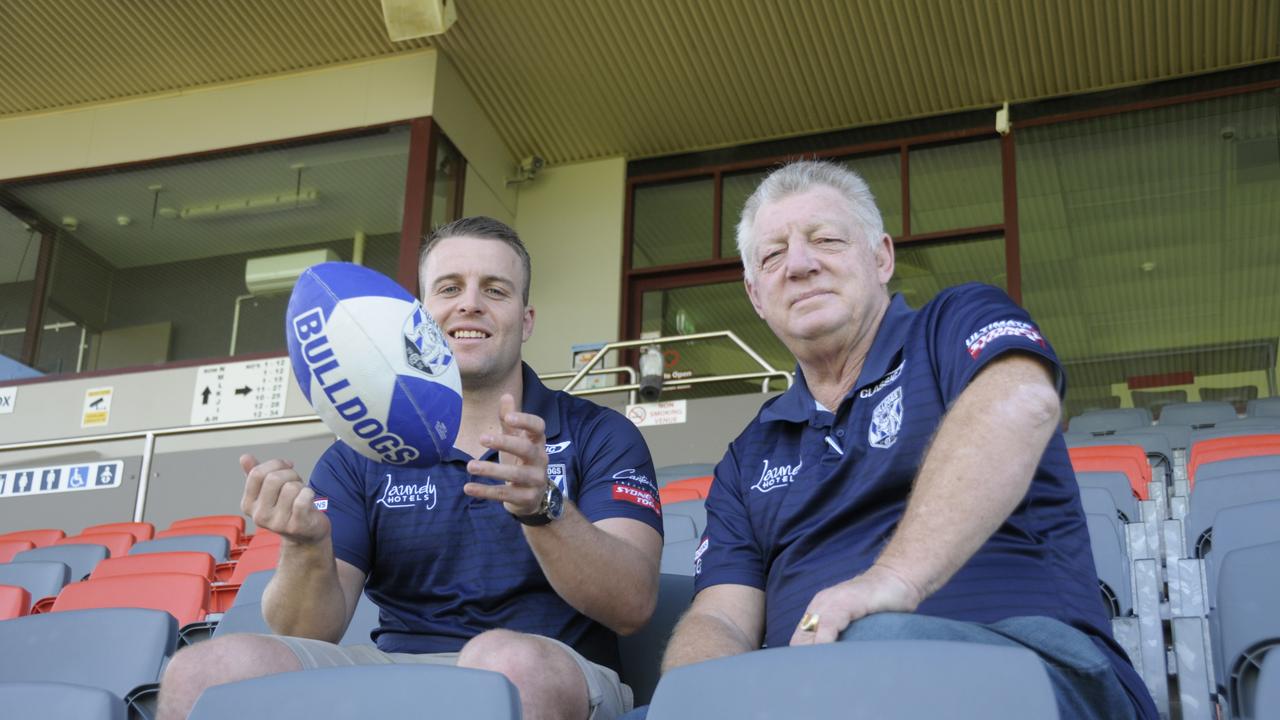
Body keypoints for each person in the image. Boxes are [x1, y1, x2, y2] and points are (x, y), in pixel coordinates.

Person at [658, 161, 1157, 719]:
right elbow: (720, 618)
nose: (799, 265)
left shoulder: (954, 323)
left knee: (870, 650)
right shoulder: (748, 455)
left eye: (825, 239)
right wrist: (694, 701)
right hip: (812, 696)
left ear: (881, 258)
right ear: (754, 293)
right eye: (773, 256)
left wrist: (890, 582)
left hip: (1035, 675)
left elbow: (1021, 401)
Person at [159, 216, 664, 720]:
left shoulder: (601, 434)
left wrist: (545, 510)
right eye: (450, 288)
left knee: (503, 663)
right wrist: (306, 547)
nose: (470, 303)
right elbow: (309, 632)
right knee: (200, 671)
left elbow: (633, 605)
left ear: (526, 319)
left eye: (495, 289)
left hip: (551, 665)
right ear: (419, 315)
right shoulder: (360, 451)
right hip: (396, 665)